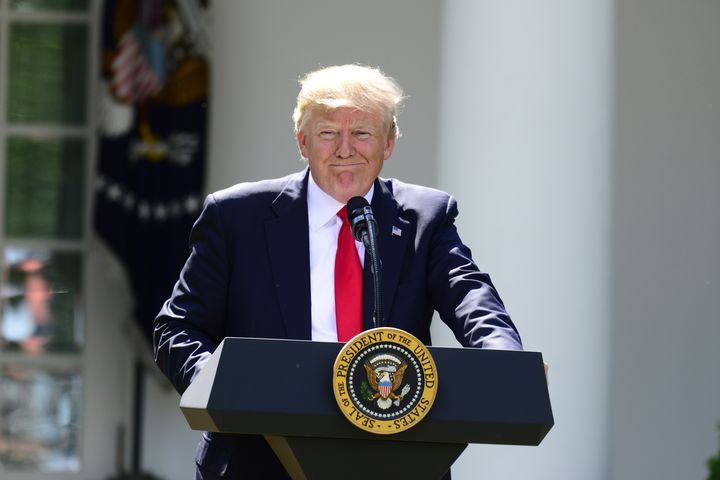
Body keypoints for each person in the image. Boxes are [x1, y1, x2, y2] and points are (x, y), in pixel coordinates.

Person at [153, 64, 522, 479]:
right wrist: (221, 384)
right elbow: (177, 328)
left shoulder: (425, 217)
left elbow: (470, 296)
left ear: (389, 143)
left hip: (396, 457)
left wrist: (503, 360)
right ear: (302, 142)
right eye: (328, 133)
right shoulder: (236, 216)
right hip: (259, 458)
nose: (345, 148)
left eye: (362, 133)